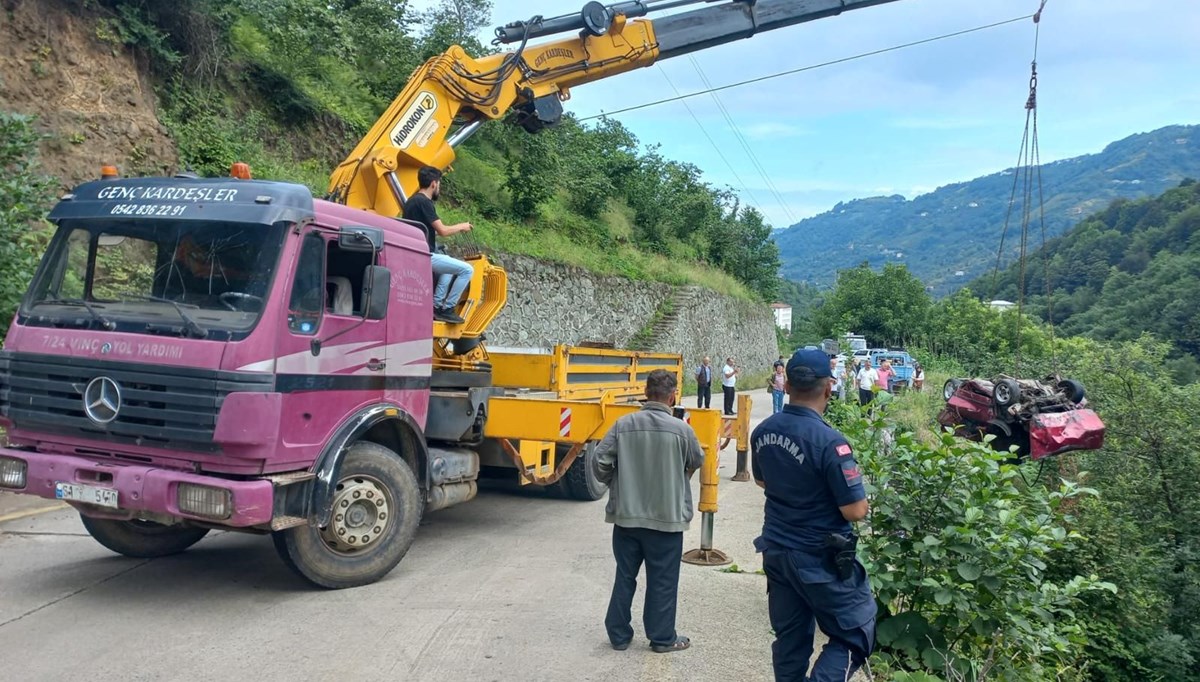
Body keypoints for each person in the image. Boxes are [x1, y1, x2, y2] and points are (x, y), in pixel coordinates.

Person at [750, 349, 876, 681]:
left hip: (777, 552)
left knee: (790, 640)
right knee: (856, 631)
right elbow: (855, 510)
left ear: (786, 385)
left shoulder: (763, 431)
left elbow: (761, 479)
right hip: (819, 558)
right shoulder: (832, 443)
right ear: (828, 389)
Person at [593, 369, 703, 654]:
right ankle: (662, 638)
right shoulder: (682, 429)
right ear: (673, 396)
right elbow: (696, 459)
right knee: (663, 580)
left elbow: (600, 461)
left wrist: (617, 483)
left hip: (627, 518)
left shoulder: (623, 424)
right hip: (667, 520)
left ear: (645, 393)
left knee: (625, 575)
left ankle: (618, 635)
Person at [402, 166, 474, 324]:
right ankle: (448, 308)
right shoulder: (424, 203)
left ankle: (435, 306)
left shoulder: (411, 201)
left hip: (413, 252)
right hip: (423, 255)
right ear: (433, 184)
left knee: (446, 271)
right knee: (467, 270)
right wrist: (462, 226)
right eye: (439, 184)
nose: (439, 188)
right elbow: (443, 231)